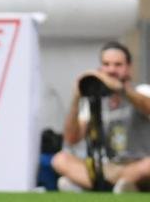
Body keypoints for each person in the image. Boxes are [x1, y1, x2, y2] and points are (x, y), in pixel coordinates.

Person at [52, 41, 150, 193]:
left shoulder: (142, 91)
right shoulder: (94, 101)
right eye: (107, 64)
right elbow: (72, 138)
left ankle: (94, 186)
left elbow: (146, 105)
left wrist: (122, 90)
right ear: (100, 68)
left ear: (129, 68)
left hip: (138, 164)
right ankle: (118, 186)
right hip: (108, 167)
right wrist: (76, 98)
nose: (111, 70)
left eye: (118, 65)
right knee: (60, 159)